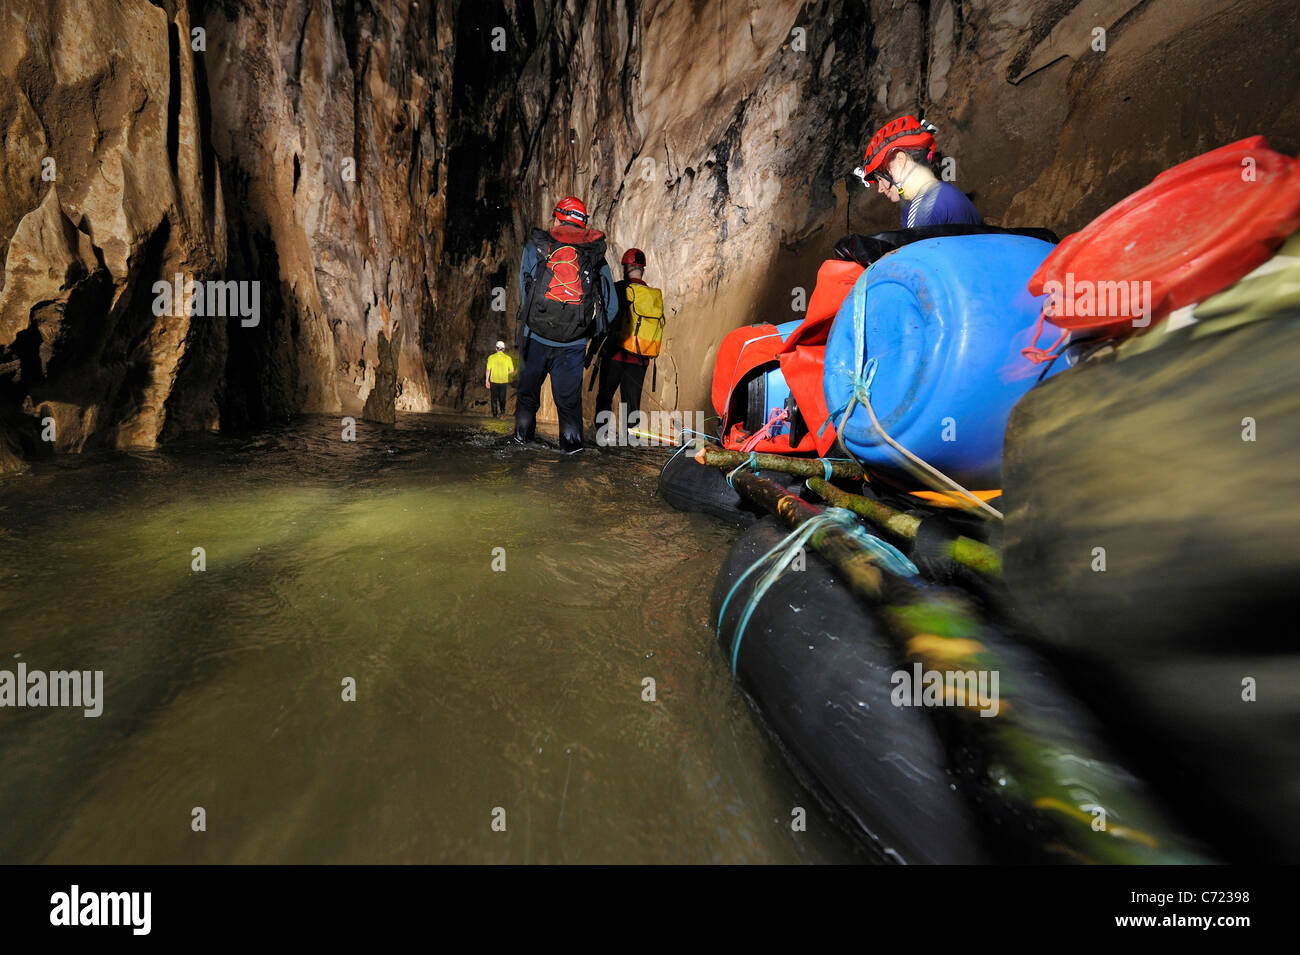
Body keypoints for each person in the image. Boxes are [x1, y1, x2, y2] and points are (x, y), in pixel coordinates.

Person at [514, 196, 617, 453]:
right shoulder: (594, 255)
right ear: (583, 223)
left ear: (557, 217)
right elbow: (611, 307)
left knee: (526, 400)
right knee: (569, 407)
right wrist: (586, 332)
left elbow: (526, 296)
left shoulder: (535, 247)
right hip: (573, 344)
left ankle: (519, 448)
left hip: (534, 338)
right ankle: (571, 458)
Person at [854, 116, 982, 228]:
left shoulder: (923, 208)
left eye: (880, 179)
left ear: (900, 160)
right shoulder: (945, 190)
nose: (880, 189)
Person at [594, 248, 666, 441]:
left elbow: (608, 318)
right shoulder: (653, 296)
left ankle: (603, 437)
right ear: (643, 269)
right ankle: (631, 440)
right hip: (640, 358)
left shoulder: (619, 289)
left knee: (605, 397)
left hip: (616, 354)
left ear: (625, 267)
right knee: (632, 403)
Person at [485, 340, 514, 417]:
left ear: (496, 348)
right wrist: (505, 372)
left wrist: (486, 381)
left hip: (493, 381)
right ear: (503, 349)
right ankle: (502, 412)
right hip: (503, 381)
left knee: (493, 399)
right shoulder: (508, 358)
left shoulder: (491, 357)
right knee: (502, 398)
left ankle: (495, 415)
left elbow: (488, 370)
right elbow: (512, 370)